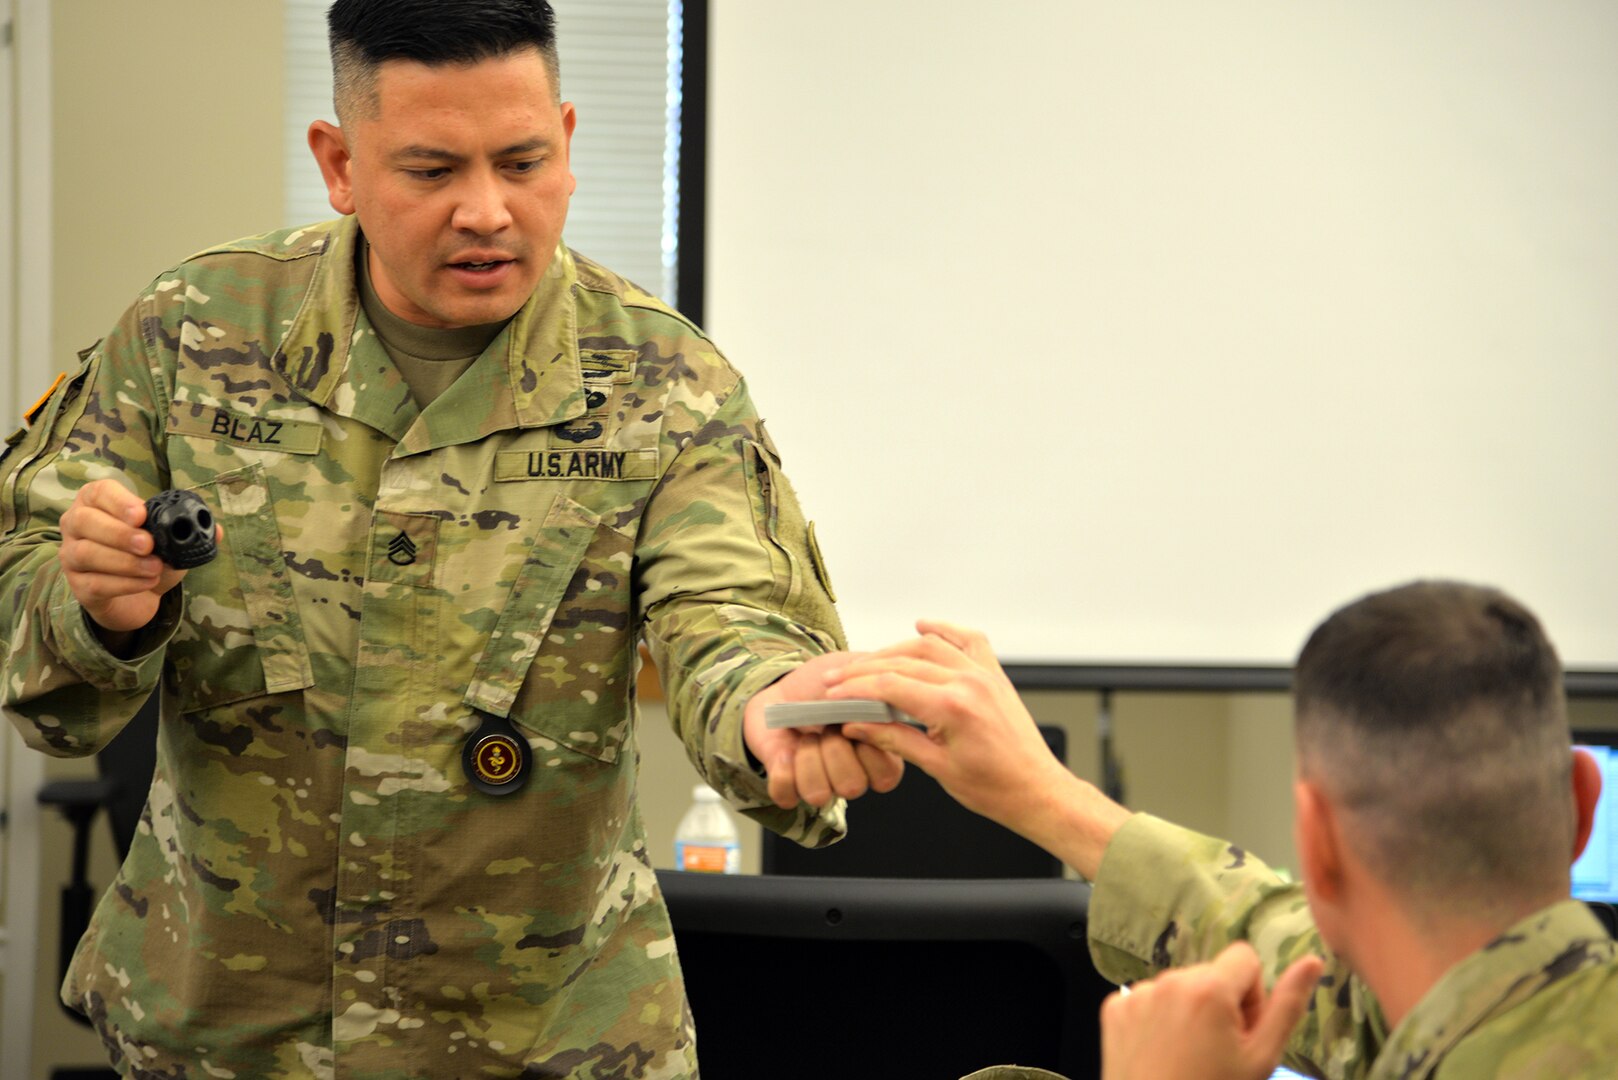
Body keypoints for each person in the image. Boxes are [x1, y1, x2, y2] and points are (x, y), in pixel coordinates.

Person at [0, 2, 900, 1076]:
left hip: (547, 1043)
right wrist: (93, 608)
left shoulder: (663, 385)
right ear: (339, 164)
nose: (488, 212)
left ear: (568, 144)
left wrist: (765, 707)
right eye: (431, 171)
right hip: (232, 1038)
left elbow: (728, 612)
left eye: (523, 162)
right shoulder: (193, 335)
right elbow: (30, 621)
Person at [829, 583, 1618, 1079]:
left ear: (1317, 842)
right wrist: (1046, 796)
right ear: (1585, 800)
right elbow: (1299, 959)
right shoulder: (1505, 1009)